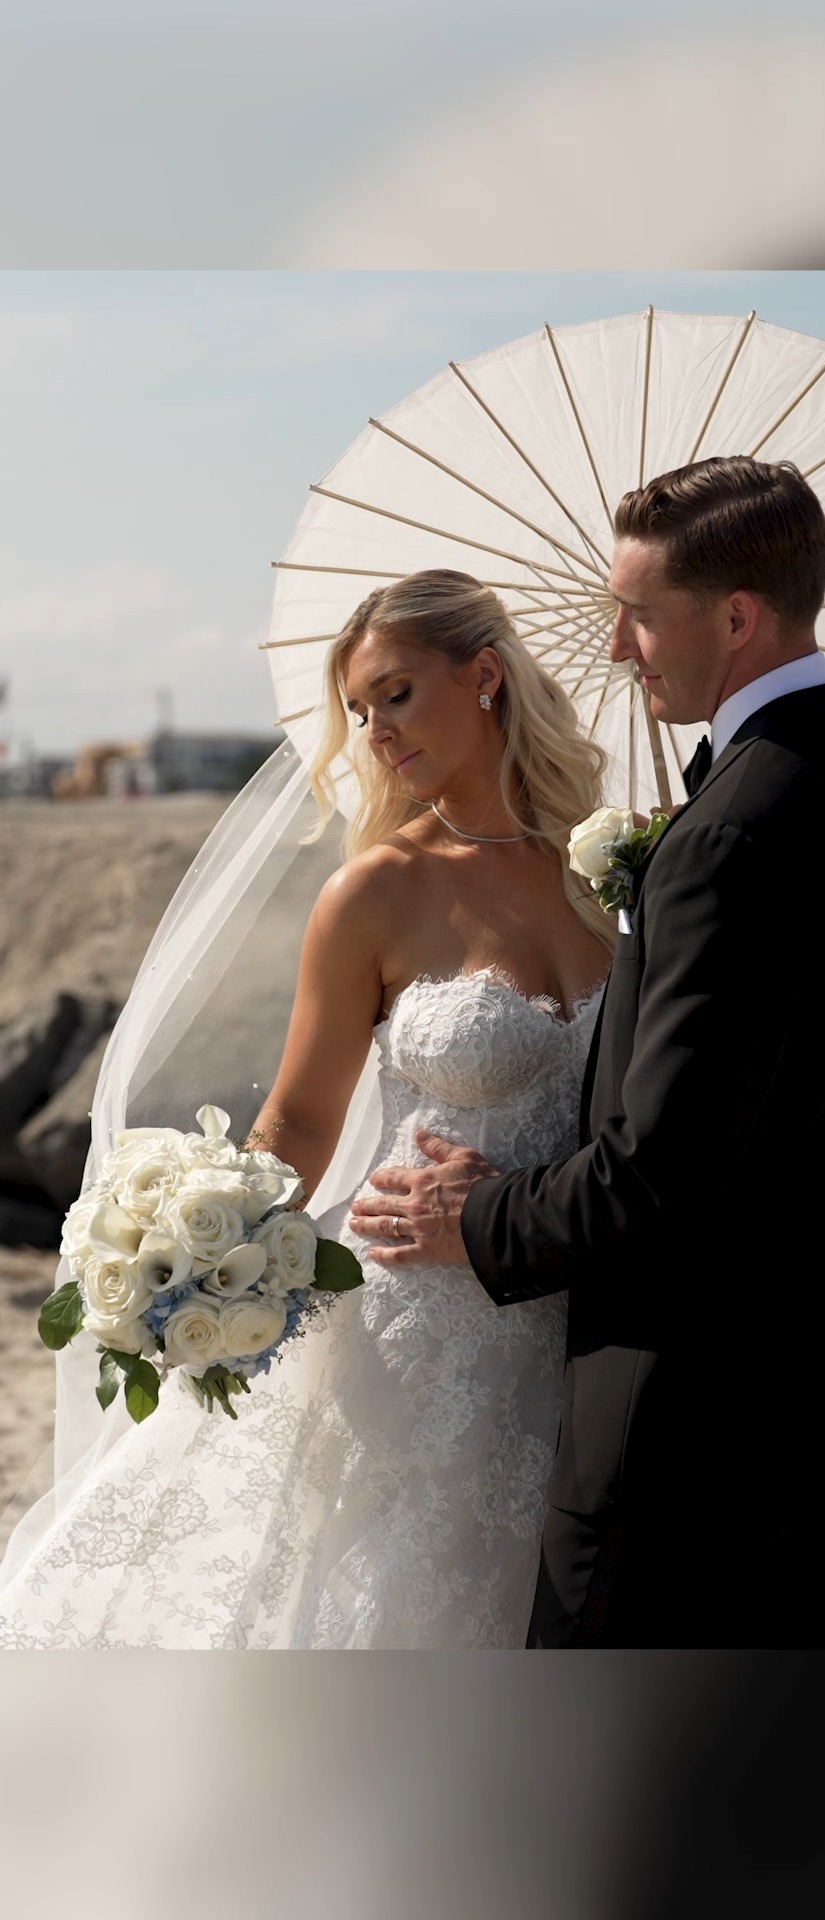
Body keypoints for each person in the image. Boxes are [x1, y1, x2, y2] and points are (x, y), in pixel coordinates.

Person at [350, 456, 825, 1650]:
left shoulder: (735, 829)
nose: (622, 647)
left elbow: (664, 1168)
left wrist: (474, 1219)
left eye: (637, 612)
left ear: (736, 616)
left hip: (703, 1414)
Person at [0, 569, 613, 1648]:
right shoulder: (375, 893)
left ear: (484, 678)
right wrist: (195, 1255)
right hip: (425, 1326)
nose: (375, 732)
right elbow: (298, 1121)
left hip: (582, 1318)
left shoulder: (614, 873)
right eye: (360, 710)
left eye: (397, 695)